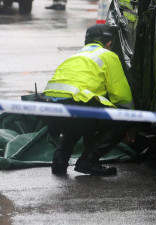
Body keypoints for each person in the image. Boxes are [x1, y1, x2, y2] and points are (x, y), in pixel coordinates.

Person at [43, 24, 133, 176]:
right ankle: (88, 161)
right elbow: (121, 96)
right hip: (77, 105)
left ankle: (59, 162)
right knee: (122, 117)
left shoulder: (75, 56)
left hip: (50, 107)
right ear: (109, 43)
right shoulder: (108, 55)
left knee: (76, 122)